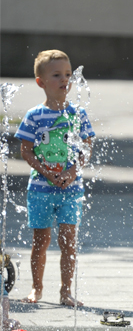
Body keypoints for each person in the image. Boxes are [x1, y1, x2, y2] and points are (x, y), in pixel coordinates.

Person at [15, 50, 94, 307]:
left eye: (68, 74)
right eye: (57, 75)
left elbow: (86, 146)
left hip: (71, 189)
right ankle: (37, 288)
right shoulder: (34, 115)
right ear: (41, 82)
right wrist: (47, 172)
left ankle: (65, 291)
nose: (65, 80)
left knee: (68, 241)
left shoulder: (77, 114)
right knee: (41, 241)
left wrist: (72, 172)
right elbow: (25, 150)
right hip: (40, 189)